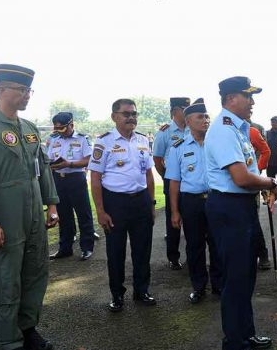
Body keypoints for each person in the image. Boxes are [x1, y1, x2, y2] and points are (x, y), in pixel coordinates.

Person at [0, 64, 59, 350]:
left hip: (33, 218)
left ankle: (27, 329)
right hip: (4, 218)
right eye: (21, 90)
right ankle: (8, 341)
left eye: (29, 90)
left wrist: (52, 204)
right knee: (6, 280)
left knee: (35, 273)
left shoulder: (29, 129)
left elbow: (41, 168)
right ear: (0, 90)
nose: (27, 95)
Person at [204, 76, 277, 350]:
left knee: (245, 276)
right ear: (231, 98)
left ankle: (246, 334)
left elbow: (248, 174)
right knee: (236, 279)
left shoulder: (237, 128)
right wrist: (271, 183)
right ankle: (235, 342)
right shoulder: (224, 129)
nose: (252, 102)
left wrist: (262, 185)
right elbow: (241, 177)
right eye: (248, 96)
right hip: (229, 208)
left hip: (240, 207)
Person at [88, 98, 157, 312]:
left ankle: (141, 290)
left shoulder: (143, 141)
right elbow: (96, 178)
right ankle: (117, 295)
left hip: (141, 201)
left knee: (142, 250)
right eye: (126, 114)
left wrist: (152, 204)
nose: (131, 118)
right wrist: (100, 211)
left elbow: (148, 175)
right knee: (116, 252)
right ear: (114, 117)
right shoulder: (104, 142)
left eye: (134, 114)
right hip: (115, 203)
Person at [165, 98, 221, 304]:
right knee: (194, 246)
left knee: (217, 244)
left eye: (207, 116)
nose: (205, 120)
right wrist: (174, 212)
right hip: (191, 202)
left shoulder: (216, 144)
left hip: (216, 199)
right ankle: (198, 287)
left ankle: (218, 284)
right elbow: (174, 183)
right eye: (200, 117)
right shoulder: (178, 147)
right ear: (188, 121)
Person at [47, 112, 97, 261]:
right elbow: (47, 158)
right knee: (63, 216)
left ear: (71, 125)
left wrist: (69, 164)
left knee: (83, 214)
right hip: (58, 179)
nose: (59, 131)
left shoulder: (82, 139)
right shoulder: (53, 139)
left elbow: (89, 159)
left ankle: (87, 247)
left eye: (62, 128)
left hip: (76, 179)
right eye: (57, 128)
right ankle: (65, 248)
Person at [153, 97, 191, 270]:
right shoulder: (165, 132)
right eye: (185, 108)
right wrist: (166, 177)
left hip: (191, 180)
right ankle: (173, 257)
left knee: (192, 219)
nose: (188, 111)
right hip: (172, 180)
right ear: (176, 110)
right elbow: (158, 159)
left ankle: (193, 255)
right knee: (173, 219)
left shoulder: (193, 128)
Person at [249, 124, 273, 270]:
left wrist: (258, 168)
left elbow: (266, 151)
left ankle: (262, 254)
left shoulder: (252, 131)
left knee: (253, 222)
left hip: (251, 183)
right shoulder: (221, 131)